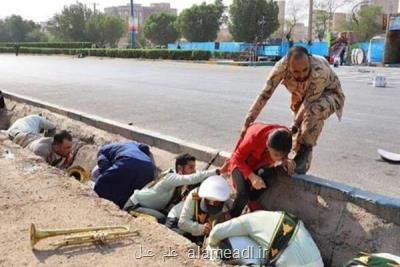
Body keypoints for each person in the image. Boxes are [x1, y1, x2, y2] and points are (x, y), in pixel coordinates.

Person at [240, 46, 345, 174]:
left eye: (305, 70)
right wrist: (248, 121)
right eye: (296, 72)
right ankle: (300, 162)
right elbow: (265, 94)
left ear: (309, 60)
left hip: (329, 94)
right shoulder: (280, 67)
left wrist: (294, 124)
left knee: (312, 114)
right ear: (288, 66)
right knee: (298, 136)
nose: (301, 75)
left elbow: (308, 103)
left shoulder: (319, 70)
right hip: (301, 96)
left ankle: (303, 156)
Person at [123, 153, 223, 223]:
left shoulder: (175, 177)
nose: (194, 171)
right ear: (180, 168)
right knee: (161, 219)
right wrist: (217, 171)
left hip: (149, 206)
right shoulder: (171, 177)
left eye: (194, 167)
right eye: (191, 167)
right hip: (134, 206)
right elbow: (192, 178)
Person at [206, 210, 323, 267]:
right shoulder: (271, 215)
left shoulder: (248, 221)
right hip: (317, 261)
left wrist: (210, 244)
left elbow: (217, 231)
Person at [228, 123, 294, 218]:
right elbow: (236, 158)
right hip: (242, 162)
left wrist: (285, 160)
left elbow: (282, 154)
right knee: (243, 194)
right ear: (268, 146)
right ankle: (232, 216)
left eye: (281, 155)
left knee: (272, 175)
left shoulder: (285, 136)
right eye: (275, 155)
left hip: (259, 162)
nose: (277, 159)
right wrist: (251, 176)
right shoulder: (254, 136)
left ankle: (252, 200)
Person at [93, 141, 156, 209]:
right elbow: (145, 147)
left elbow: (104, 169)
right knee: (130, 194)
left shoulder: (102, 151)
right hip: (148, 167)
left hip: (128, 160)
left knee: (102, 183)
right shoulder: (130, 144)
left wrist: (101, 181)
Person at [178, 175, 231, 245]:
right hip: (176, 223)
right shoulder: (194, 195)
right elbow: (182, 222)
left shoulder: (225, 197)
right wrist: (201, 228)